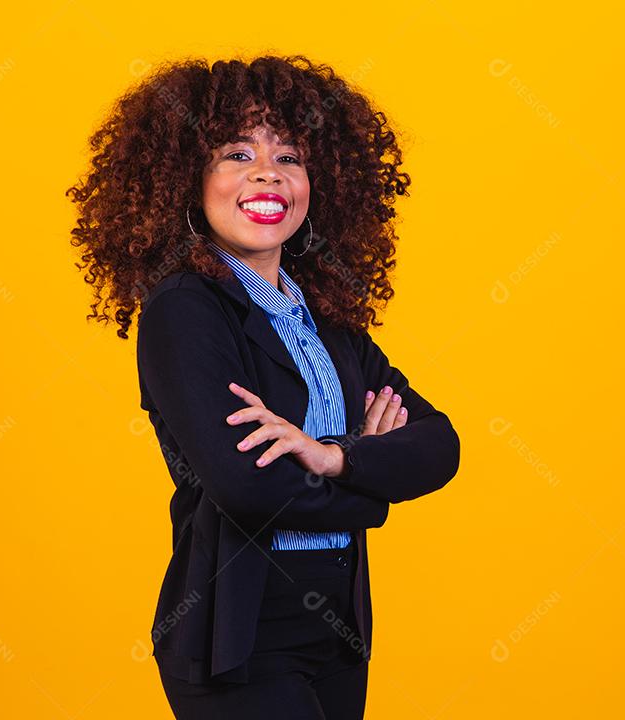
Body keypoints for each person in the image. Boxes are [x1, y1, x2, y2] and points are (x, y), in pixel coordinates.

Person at [65, 54, 461, 719]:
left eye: (291, 157)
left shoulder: (329, 320)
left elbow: (439, 444)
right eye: (236, 153)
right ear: (188, 178)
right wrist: (373, 494)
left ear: (321, 183)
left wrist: (334, 457)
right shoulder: (186, 310)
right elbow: (247, 488)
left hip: (336, 625)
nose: (267, 172)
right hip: (238, 633)